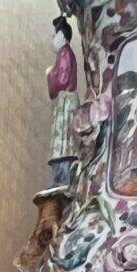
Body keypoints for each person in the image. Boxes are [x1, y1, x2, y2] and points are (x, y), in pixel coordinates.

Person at [46, 15, 82, 187]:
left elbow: (60, 80)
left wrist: (49, 74)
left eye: (55, 35)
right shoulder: (63, 54)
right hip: (64, 101)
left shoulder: (65, 54)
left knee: (64, 143)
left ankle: (63, 178)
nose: (52, 39)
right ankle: (61, 178)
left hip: (66, 101)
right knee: (62, 141)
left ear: (62, 35)